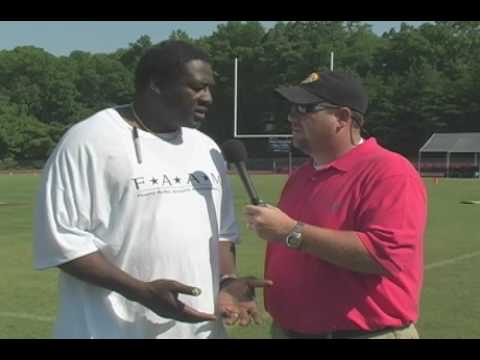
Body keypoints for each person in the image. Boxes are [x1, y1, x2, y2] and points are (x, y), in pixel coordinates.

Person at [34, 40, 271, 339]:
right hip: (109, 330)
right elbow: (64, 244)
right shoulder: (89, 141)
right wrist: (141, 292)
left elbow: (222, 235)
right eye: (196, 87)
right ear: (156, 84)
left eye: (209, 88)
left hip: (198, 331)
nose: (208, 98)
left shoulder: (205, 148)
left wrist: (226, 281)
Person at [245, 71, 427, 339]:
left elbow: (385, 255)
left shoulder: (389, 171)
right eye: (292, 109)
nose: (291, 117)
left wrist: (291, 232)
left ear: (342, 118)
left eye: (304, 109)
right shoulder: (301, 177)